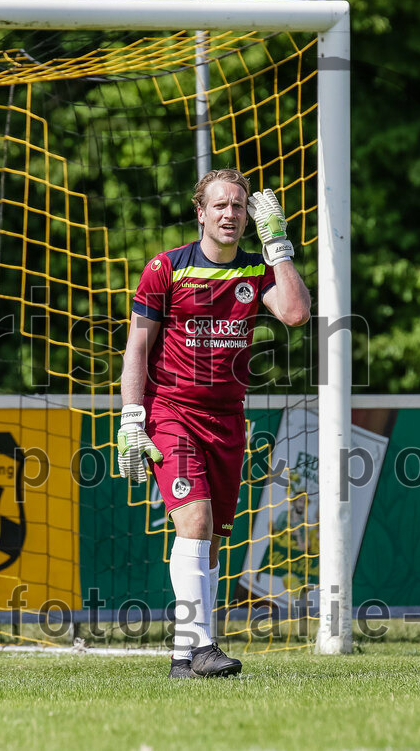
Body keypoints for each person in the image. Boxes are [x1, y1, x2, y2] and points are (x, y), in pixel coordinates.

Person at [116, 168, 311, 678]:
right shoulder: (166, 269)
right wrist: (132, 418)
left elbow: (294, 313)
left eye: (240, 207)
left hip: (227, 420)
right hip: (170, 412)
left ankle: (185, 656)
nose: (231, 214)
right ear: (200, 212)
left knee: (213, 538)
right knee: (195, 521)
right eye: (221, 205)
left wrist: (278, 245)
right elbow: (138, 345)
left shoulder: (254, 271)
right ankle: (203, 646)